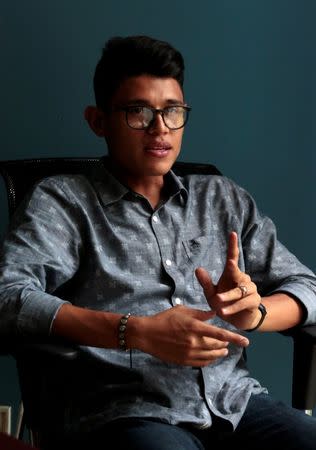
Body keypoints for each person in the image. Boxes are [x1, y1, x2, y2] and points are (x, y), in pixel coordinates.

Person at [0, 35, 316, 450]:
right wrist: (137, 333)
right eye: (138, 112)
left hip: (235, 403)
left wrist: (254, 313)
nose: (160, 128)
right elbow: (8, 298)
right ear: (98, 121)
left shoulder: (222, 198)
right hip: (126, 411)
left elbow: (309, 288)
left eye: (172, 111)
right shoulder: (63, 202)